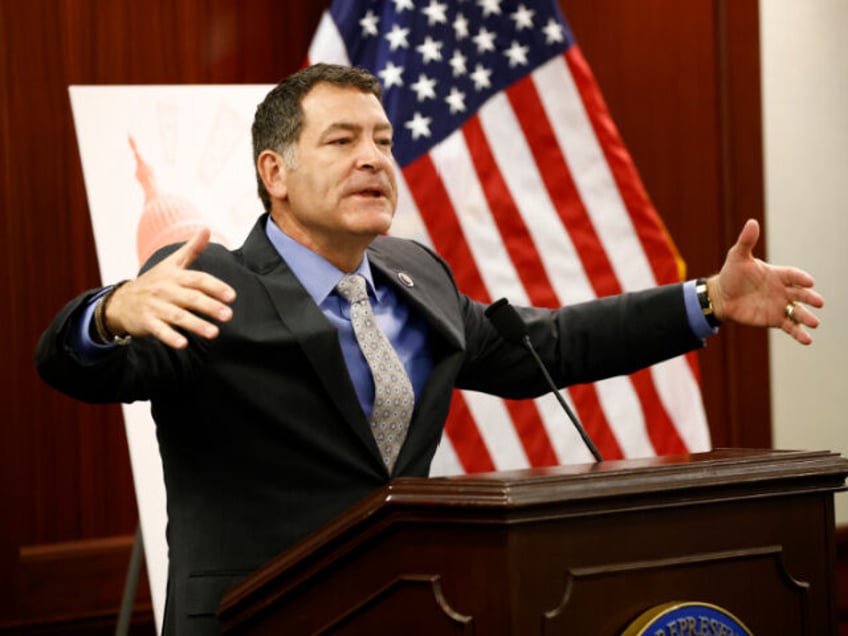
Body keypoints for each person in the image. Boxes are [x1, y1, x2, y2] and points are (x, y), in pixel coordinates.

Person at [35, 63, 823, 635]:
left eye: (382, 138)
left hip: (401, 610)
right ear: (274, 171)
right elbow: (78, 368)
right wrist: (105, 315)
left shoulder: (415, 276)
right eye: (342, 140)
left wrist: (710, 300)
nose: (374, 157)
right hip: (255, 618)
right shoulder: (213, 281)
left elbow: (547, 345)